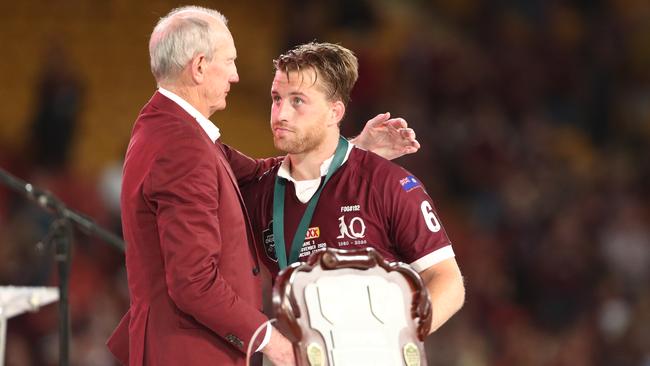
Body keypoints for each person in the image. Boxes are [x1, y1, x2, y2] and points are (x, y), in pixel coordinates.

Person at [106, 6, 420, 366]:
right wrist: (271, 340)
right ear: (199, 67)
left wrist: (353, 151)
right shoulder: (182, 146)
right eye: (229, 61)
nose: (236, 76)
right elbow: (193, 282)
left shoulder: (168, 129)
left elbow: (262, 176)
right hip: (191, 352)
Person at [243, 42, 465, 335]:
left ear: (334, 112)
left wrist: (398, 341)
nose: (281, 114)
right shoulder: (260, 189)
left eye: (297, 101)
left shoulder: (385, 184)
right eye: (276, 98)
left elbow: (448, 281)